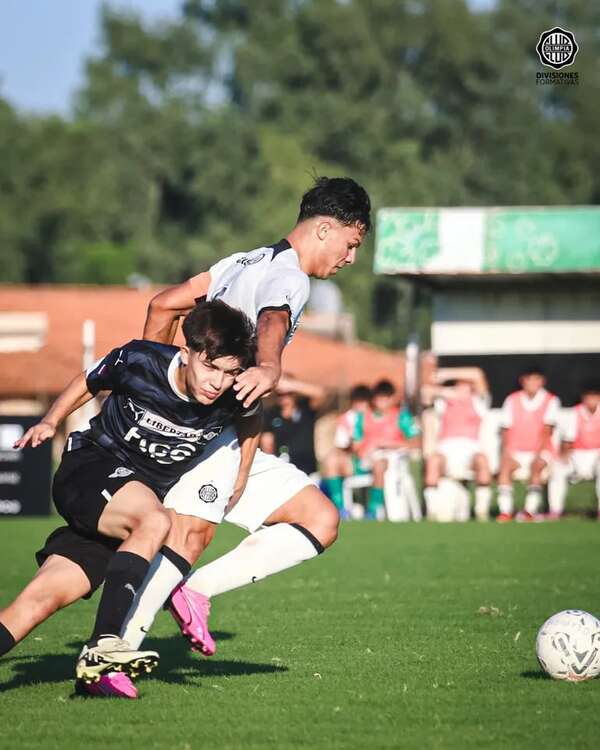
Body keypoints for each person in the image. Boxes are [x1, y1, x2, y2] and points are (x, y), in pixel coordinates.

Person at [115, 176, 371, 675]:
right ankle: (113, 654)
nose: (350, 258)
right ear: (324, 229)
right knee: (189, 535)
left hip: (221, 430)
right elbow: (274, 319)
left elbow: (162, 305)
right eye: (351, 243)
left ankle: (192, 594)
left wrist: (153, 383)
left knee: (319, 519)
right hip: (212, 436)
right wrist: (271, 366)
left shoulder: (243, 260)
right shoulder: (291, 277)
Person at [0, 300, 257, 692]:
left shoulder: (236, 393)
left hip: (124, 515)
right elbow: (90, 379)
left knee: (36, 603)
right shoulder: (140, 360)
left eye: (229, 372)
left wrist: (241, 475)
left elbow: (252, 418)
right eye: (210, 367)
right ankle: (105, 643)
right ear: (186, 352)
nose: (217, 382)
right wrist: (51, 420)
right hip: (88, 470)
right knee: (156, 521)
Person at [422, 367, 492, 521]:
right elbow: (426, 392)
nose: (461, 388)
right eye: (458, 384)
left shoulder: (479, 402)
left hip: (470, 450)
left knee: (482, 460)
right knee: (433, 461)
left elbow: (477, 374)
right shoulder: (443, 403)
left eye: (466, 384)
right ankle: (432, 511)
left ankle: (482, 511)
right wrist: (447, 392)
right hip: (446, 450)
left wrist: (445, 374)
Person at [497, 366, 560, 522]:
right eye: (528, 379)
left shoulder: (551, 400)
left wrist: (537, 453)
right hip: (517, 451)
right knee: (505, 466)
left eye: (536, 378)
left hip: (541, 451)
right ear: (522, 381)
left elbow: (547, 431)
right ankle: (505, 512)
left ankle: (529, 511)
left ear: (542, 381)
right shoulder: (512, 400)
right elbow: (506, 430)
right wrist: (507, 451)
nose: (532, 382)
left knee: (537, 465)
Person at [353, 380, 419, 520]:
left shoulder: (401, 416)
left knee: (379, 464)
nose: (381, 402)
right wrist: (364, 448)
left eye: (385, 399)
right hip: (363, 460)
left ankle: (374, 508)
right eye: (378, 399)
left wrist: (387, 443)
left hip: (393, 461)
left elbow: (415, 443)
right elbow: (356, 444)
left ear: (392, 399)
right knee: (333, 462)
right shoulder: (363, 417)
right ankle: (343, 508)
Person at [547, 382, 600, 519]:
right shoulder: (574, 413)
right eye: (589, 396)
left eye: (595, 396)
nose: (592, 400)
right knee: (558, 469)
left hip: (597, 454)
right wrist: (563, 456)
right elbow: (567, 442)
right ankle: (555, 511)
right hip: (577, 454)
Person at [260, 374, 325, 476]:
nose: (284, 397)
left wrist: (292, 385)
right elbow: (267, 444)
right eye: (280, 394)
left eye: (288, 393)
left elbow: (321, 393)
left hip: (308, 470)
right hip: (282, 470)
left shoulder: (305, 408)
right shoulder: (271, 414)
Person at [321, 384, 371, 515]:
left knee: (333, 460)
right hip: (354, 462)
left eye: (363, 402)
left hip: (374, 460)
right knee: (331, 460)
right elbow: (342, 445)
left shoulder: (374, 417)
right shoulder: (347, 419)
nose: (360, 406)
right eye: (357, 402)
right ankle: (340, 507)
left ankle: (373, 509)